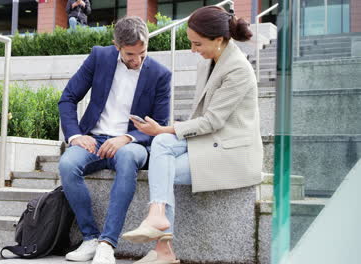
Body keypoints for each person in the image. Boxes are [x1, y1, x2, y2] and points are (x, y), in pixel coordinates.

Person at [121, 6, 263, 263]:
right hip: (210, 143)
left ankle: (162, 244)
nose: (192, 49)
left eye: (197, 43)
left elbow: (212, 121)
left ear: (218, 40)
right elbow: (201, 121)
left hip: (232, 152)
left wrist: (163, 128)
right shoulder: (208, 63)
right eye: (190, 42)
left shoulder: (239, 70)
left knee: (164, 164)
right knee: (162, 144)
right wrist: (163, 132)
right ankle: (158, 222)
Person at [58, 16, 171, 264]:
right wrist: (76, 136)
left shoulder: (161, 75)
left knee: (128, 156)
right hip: (94, 139)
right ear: (116, 44)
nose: (137, 60)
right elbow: (68, 98)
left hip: (134, 143)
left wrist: (127, 138)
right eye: (131, 54)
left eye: (142, 53)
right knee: (67, 164)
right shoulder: (99, 57)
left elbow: (160, 125)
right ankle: (90, 237)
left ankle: (107, 243)